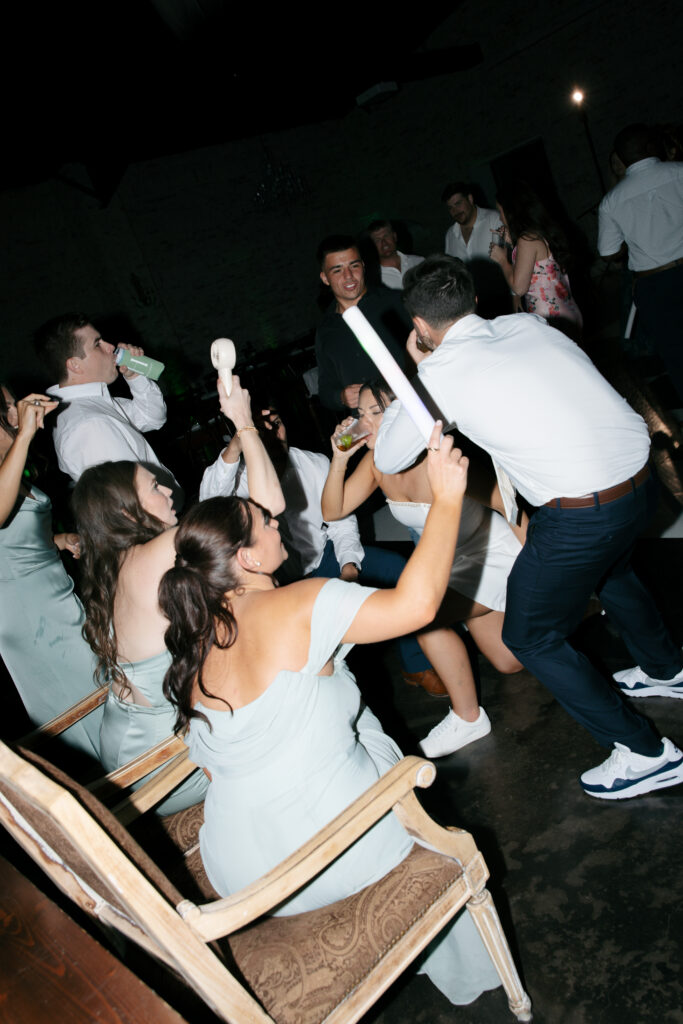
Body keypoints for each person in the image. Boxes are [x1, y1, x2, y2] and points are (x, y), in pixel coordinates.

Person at [157, 425, 502, 1007]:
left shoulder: (193, 641)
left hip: (242, 873)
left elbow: (213, 770)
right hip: (335, 857)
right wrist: (445, 499)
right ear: (245, 557)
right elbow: (417, 606)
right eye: (264, 522)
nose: (277, 520)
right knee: (384, 750)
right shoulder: (300, 601)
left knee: (352, 722)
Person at [373, 255, 683, 799]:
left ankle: (645, 753)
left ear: (420, 327)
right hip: (644, 484)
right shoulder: (527, 324)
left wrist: (416, 370)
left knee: (529, 635)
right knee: (611, 571)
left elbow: (392, 454)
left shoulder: (439, 372)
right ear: (472, 300)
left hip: (583, 511)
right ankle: (665, 669)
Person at [72, 377, 285, 813]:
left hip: (126, 750)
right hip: (163, 763)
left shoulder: (116, 562)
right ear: (128, 509)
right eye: (153, 487)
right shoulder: (159, 553)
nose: (168, 489)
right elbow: (267, 510)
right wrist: (243, 424)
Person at [322, 381, 522, 757]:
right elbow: (333, 511)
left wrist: (542, 569)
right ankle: (563, 619)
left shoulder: (438, 457)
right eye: (359, 415)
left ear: (402, 416)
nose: (364, 424)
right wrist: (338, 459)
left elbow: (509, 505)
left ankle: (468, 718)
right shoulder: (377, 464)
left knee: (419, 616)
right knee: (508, 661)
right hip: (454, 563)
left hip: (493, 551)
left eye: (375, 413)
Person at [201, 405, 448, 695]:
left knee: (396, 569)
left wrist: (349, 565)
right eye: (261, 429)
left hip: (325, 559)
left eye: (277, 423)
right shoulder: (236, 477)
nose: (273, 433)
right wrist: (235, 447)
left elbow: (340, 523)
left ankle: (416, 666)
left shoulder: (313, 463)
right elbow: (209, 502)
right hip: (273, 581)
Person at [0, 385, 102, 757]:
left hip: (53, 597)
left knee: (97, 680)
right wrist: (25, 434)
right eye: (11, 405)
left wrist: (58, 540)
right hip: (30, 616)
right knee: (79, 696)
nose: (19, 409)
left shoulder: (9, 463)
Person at [598, 123, 683, 403]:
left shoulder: (612, 201)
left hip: (655, 284)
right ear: (650, 147)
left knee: (675, 355)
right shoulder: (679, 172)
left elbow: (608, 252)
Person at [33, 312, 171, 484]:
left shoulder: (93, 405)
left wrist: (135, 375)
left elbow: (152, 418)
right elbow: (130, 495)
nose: (111, 347)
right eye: (97, 344)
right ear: (75, 365)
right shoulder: (88, 424)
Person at [314, 235, 412, 412]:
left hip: (412, 409)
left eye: (354, 266)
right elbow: (325, 388)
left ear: (363, 266)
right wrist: (341, 397)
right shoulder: (326, 330)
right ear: (325, 278)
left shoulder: (395, 303)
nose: (349, 276)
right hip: (371, 428)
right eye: (337, 270)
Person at [490, 183, 583, 340]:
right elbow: (538, 270)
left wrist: (502, 260)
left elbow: (519, 287)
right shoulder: (539, 232)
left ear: (512, 211)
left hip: (551, 318)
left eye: (500, 211)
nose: (499, 217)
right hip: (565, 311)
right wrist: (513, 246)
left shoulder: (527, 239)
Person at [442, 182, 502, 263]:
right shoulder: (450, 234)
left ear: (470, 199)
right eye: (450, 208)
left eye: (458, 204)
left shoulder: (494, 219)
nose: (455, 211)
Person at [367, 219, 424, 290]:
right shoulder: (373, 279)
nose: (384, 243)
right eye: (377, 240)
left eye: (386, 236)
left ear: (394, 236)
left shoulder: (419, 263)